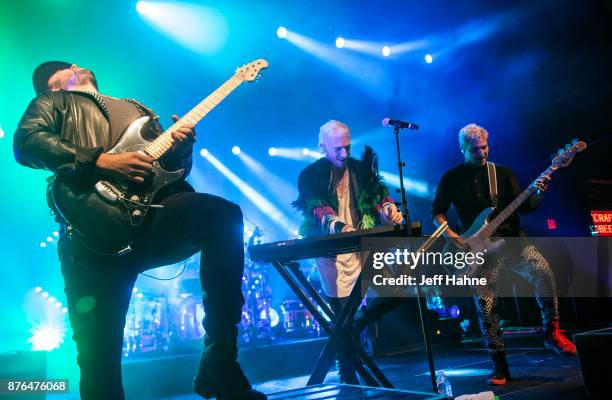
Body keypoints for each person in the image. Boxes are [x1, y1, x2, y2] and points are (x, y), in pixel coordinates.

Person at [13, 61, 266, 400]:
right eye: (65, 68)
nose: (76, 64)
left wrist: (180, 149)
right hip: (92, 230)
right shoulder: (53, 104)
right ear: (52, 87)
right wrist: (102, 160)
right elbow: (27, 143)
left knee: (222, 216)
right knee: (98, 357)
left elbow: (166, 171)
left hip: (151, 218)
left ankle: (219, 365)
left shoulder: (136, 108)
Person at [432, 123, 576, 385]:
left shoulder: (503, 174)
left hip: (512, 242)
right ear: (462, 149)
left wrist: (540, 192)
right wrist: (451, 236)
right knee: (486, 307)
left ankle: (552, 332)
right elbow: (437, 212)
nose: (481, 153)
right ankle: (500, 367)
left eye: (484, 147)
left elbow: (527, 206)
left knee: (545, 273)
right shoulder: (450, 179)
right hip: (478, 251)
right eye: (475, 149)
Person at [292, 120, 403, 383]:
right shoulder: (310, 175)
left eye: (347, 147)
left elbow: (378, 196)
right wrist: (337, 226)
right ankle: (348, 380)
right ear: (322, 147)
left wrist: (387, 208)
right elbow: (319, 211)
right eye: (337, 149)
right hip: (332, 255)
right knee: (341, 313)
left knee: (396, 292)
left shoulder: (360, 169)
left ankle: (355, 324)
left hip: (363, 248)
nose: (344, 154)